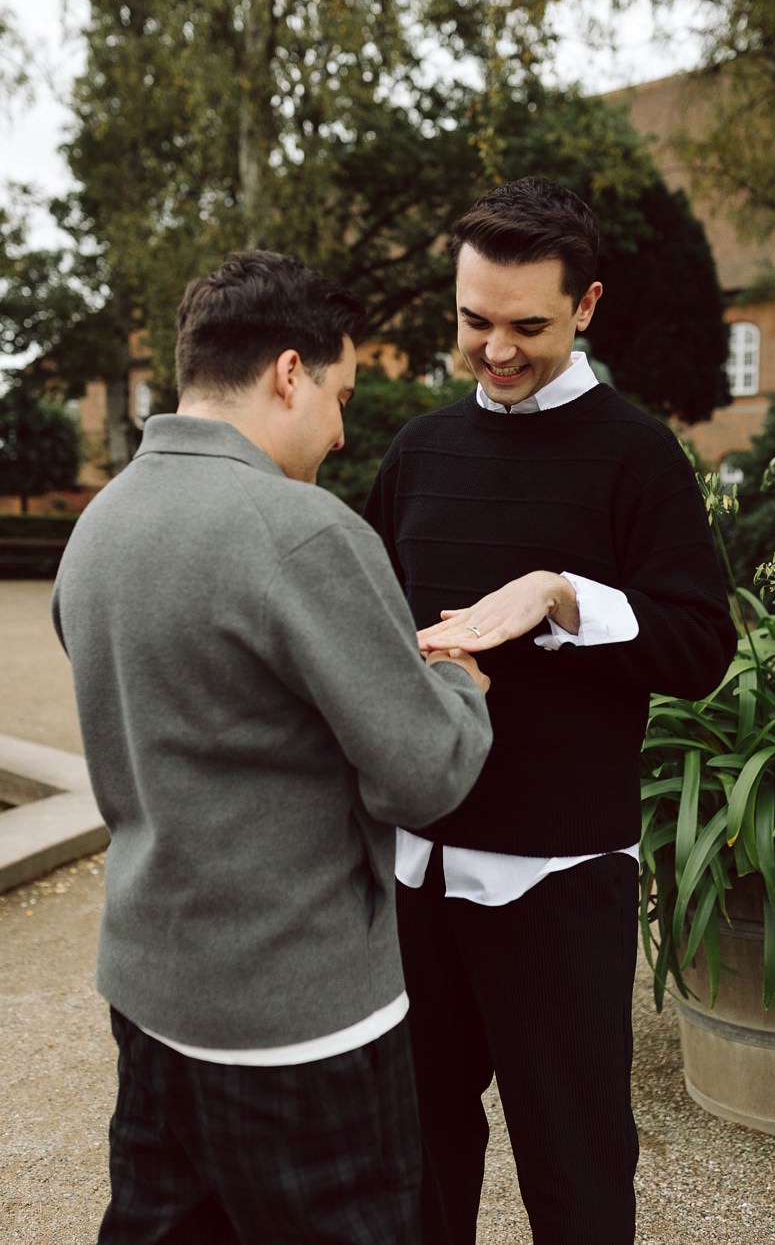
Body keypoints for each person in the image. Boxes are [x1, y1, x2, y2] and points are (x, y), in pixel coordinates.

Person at [51, 250, 495, 1243]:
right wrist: (458, 682)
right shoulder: (302, 532)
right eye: (341, 396)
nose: (341, 430)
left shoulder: (101, 524)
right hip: (301, 1021)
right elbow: (425, 773)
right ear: (289, 373)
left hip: (151, 994)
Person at [363, 176, 735, 1244]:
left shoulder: (638, 454)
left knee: (575, 1175)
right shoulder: (418, 450)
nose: (496, 349)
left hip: (560, 882)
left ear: (587, 305)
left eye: (527, 326)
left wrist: (564, 597)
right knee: (416, 1164)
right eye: (474, 320)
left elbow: (701, 647)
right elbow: (370, 626)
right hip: (416, 873)